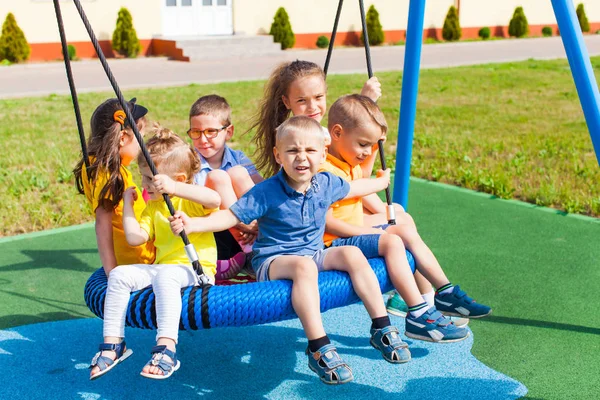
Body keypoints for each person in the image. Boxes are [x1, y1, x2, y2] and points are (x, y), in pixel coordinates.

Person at [169, 116, 410, 385]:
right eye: (293, 151)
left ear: (322, 154)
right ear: (278, 155)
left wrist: (382, 181)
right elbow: (229, 217)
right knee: (304, 267)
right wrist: (194, 224)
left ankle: (381, 326)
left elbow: (355, 188)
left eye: (309, 151)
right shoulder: (267, 191)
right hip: (273, 260)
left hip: (313, 253)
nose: (301, 158)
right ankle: (318, 345)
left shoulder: (326, 183)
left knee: (352, 254)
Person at [321, 94, 492, 342]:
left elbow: (359, 178)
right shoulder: (325, 170)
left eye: (372, 145)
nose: (367, 151)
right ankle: (420, 310)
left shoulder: (344, 158)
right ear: (337, 133)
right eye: (363, 144)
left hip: (349, 225)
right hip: (334, 238)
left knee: (403, 220)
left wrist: (371, 152)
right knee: (394, 238)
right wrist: (370, 230)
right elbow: (327, 222)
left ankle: (440, 293)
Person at [89, 126, 221, 380]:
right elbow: (134, 237)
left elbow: (214, 199)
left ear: (179, 179)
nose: (145, 184)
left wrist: (173, 188)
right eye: (143, 177)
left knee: (166, 277)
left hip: (196, 271)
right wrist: (128, 205)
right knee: (119, 275)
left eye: (150, 179)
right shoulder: (153, 207)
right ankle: (114, 342)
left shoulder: (188, 199)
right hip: (165, 269)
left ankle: (167, 348)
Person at [249, 59, 382, 179]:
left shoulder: (324, 133)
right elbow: (346, 184)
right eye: (302, 100)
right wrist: (365, 104)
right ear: (287, 101)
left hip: (336, 199)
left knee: (394, 207)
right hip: (315, 204)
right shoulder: (292, 135)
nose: (312, 107)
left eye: (318, 97)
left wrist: (374, 145)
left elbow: (357, 174)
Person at [74, 98, 156, 279]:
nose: (142, 145)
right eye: (140, 137)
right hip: (143, 258)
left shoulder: (95, 165)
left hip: (139, 253)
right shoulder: (109, 174)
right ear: (122, 138)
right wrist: (112, 272)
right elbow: (102, 225)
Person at [187, 94, 262, 279]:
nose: (203, 139)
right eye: (196, 132)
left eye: (211, 131)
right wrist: (242, 224)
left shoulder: (238, 158)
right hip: (216, 236)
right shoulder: (189, 163)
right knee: (217, 177)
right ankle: (252, 252)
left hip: (254, 230)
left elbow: (262, 188)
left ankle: (261, 242)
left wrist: (256, 223)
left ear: (228, 132)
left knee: (237, 172)